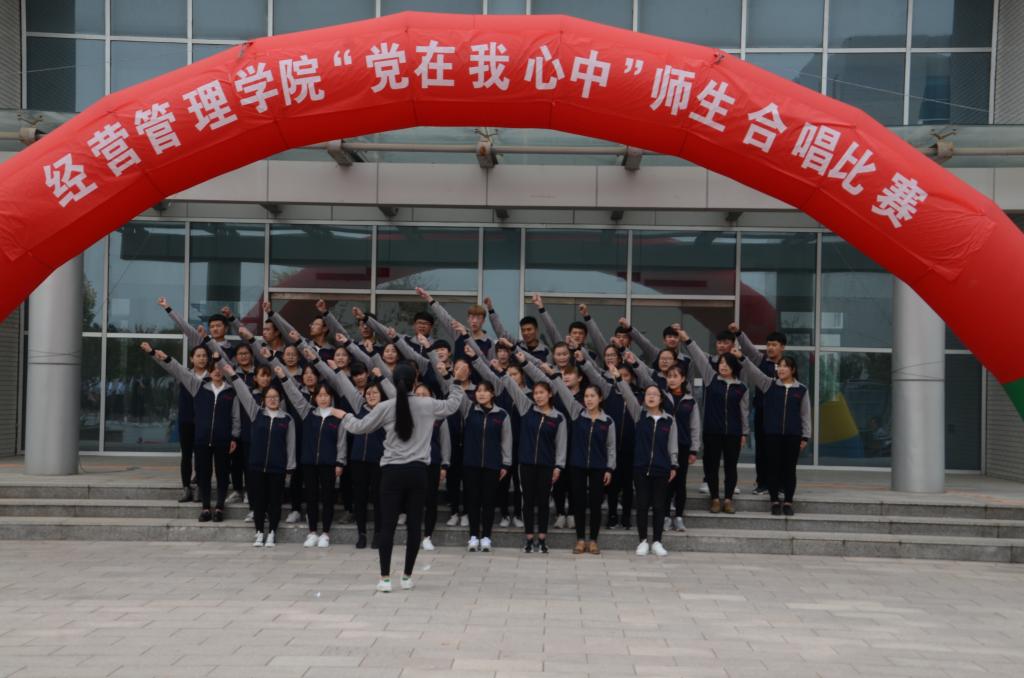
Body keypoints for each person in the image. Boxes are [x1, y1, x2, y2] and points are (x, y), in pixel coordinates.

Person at [338, 362, 467, 593]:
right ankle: (407, 577)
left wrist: (344, 416)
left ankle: (385, 578)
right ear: (415, 381)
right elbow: (453, 404)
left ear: (393, 381)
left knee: (387, 526)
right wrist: (456, 381)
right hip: (418, 472)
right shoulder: (428, 403)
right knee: (414, 526)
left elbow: (360, 427)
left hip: (392, 473)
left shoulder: (385, 406)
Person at [143, 342, 239, 523]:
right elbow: (179, 370)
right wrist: (161, 356)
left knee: (222, 473)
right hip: (201, 437)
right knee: (202, 471)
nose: (217, 372)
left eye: (220, 369)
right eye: (214, 369)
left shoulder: (231, 392)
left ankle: (219, 507)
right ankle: (205, 507)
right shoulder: (199, 387)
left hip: (222, 439)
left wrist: (234, 436)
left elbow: (235, 417)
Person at [526, 360, 615, 554]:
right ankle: (580, 540)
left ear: (600, 398)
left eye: (592, 396)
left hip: (599, 467)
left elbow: (611, 447)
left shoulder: (608, 421)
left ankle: (594, 541)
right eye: (586, 396)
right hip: (577, 465)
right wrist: (553, 374)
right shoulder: (577, 412)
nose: (589, 400)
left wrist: (609, 468)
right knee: (579, 503)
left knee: (596, 504)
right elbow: (563, 390)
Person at [220, 361, 295, 548]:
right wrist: (233, 375)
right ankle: (260, 532)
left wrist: (290, 467)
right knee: (259, 502)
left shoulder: (287, 420)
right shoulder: (256, 413)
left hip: (277, 468)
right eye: (269, 397)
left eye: (276, 397)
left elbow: (290, 445)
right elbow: (244, 394)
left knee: (275, 502)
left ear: (280, 400)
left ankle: (272, 533)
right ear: (264, 399)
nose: (272, 400)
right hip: (257, 466)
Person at [502, 352, 567, 554]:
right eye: (536, 393)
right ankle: (529, 539)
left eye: (542, 393)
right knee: (528, 502)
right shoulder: (526, 408)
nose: (538, 396)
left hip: (547, 466)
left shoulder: (558, 418)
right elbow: (512, 386)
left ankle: (543, 540)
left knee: (544, 503)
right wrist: (502, 371)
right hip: (526, 464)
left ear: (549, 394)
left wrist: (559, 466)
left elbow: (561, 444)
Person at [682, 330, 749, 514]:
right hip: (712, 431)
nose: (723, 366)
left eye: (727, 364)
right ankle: (714, 499)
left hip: (733, 433)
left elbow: (744, 412)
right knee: (710, 466)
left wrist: (744, 433)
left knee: (730, 467)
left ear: (734, 367)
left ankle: (728, 499)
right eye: (721, 364)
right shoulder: (711, 379)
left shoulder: (741, 387)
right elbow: (698, 356)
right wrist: (687, 339)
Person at [277, 370, 347, 548]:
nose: (323, 398)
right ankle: (312, 532)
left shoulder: (338, 417)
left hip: (329, 464)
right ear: (315, 398)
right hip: (309, 463)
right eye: (320, 395)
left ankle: (326, 533)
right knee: (311, 497)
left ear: (331, 398)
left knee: (328, 498)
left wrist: (340, 462)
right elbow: (294, 395)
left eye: (326, 395)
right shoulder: (307, 412)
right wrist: (284, 378)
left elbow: (341, 441)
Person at [613, 370, 679, 557]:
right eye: (648, 394)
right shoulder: (639, 414)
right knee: (642, 505)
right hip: (641, 467)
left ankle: (657, 541)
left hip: (662, 468)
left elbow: (673, 445)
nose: (651, 397)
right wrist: (618, 378)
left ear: (661, 399)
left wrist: (674, 465)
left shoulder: (669, 421)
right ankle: (642, 541)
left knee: (659, 506)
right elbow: (627, 394)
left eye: (655, 394)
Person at [737, 354, 811, 516]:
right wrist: (742, 358)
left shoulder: (801, 390)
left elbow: (805, 415)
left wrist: (805, 436)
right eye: (779, 366)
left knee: (789, 469)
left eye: (785, 366)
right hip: (772, 435)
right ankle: (774, 501)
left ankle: (788, 502)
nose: (781, 369)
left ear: (792, 370)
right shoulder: (768, 384)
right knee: (773, 468)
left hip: (793, 435)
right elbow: (754, 371)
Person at [732, 323, 787, 495]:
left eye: (774, 345)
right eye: (768, 344)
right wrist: (738, 333)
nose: (770, 348)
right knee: (762, 449)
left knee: (780, 450)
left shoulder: (787, 365)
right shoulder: (761, 360)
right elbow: (748, 348)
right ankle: (762, 483)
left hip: (781, 414)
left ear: (782, 347)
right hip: (762, 412)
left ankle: (780, 484)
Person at [458, 380, 512, 552]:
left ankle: (487, 537)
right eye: (478, 390)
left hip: (492, 465)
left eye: (485, 390)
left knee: (489, 502)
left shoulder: (502, 415)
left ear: (492, 393)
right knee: (472, 501)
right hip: (471, 464)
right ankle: (473, 536)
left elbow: (506, 440)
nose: (481, 394)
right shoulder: (468, 409)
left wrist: (506, 463)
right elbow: (455, 391)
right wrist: (454, 377)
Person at [660, 365, 701, 531]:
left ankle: (678, 517)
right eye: (669, 376)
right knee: (666, 482)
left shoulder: (690, 401)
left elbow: (695, 427)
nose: (671, 379)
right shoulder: (662, 397)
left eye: (675, 376)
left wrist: (694, 449)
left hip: (683, 446)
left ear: (683, 379)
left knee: (680, 482)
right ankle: (665, 517)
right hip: (664, 446)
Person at [414, 383, 451, 552]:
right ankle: (413, 535)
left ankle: (427, 536)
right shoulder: (408, 415)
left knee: (431, 501)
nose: (421, 397)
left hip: (433, 463)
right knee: (413, 501)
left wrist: (445, 464)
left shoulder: (439, 417)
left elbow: (445, 442)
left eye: (425, 394)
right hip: (413, 463)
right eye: (418, 394)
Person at [175, 344, 208, 503]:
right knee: (186, 455)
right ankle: (186, 488)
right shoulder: (185, 375)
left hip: (204, 422)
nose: (202, 359)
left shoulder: (212, 376)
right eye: (198, 356)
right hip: (186, 421)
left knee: (202, 456)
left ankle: (200, 487)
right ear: (191, 359)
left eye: (204, 356)